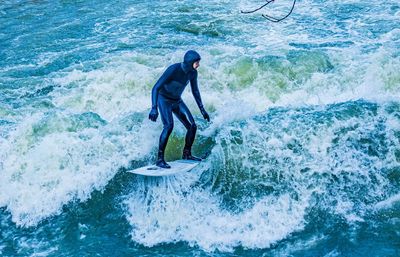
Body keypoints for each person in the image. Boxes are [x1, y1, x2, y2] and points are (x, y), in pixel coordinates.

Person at [148, 50, 210, 169]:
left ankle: (187, 154)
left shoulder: (193, 73)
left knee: (192, 126)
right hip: (164, 99)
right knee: (168, 126)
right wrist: (154, 108)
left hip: (177, 100)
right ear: (190, 62)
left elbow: (195, 91)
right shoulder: (174, 69)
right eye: (196, 62)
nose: (198, 65)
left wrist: (202, 109)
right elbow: (155, 88)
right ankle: (160, 159)